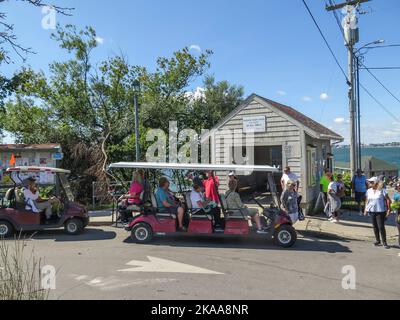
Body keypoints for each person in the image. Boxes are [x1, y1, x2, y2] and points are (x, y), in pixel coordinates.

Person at [364, 177, 391, 249]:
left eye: (371, 182)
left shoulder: (382, 190)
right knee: (374, 226)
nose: (370, 183)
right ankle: (377, 240)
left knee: (381, 227)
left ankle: (384, 242)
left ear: (375, 183)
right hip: (372, 211)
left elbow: (388, 200)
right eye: (370, 182)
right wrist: (365, 210)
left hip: (381, 211)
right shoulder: (368, 191)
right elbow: (367, 200)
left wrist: (389, 209)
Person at [392, 183, 400, 248]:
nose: (399, 187)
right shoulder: (396, 195)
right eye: (398, 186)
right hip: (398, 213)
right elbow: (393, 205)